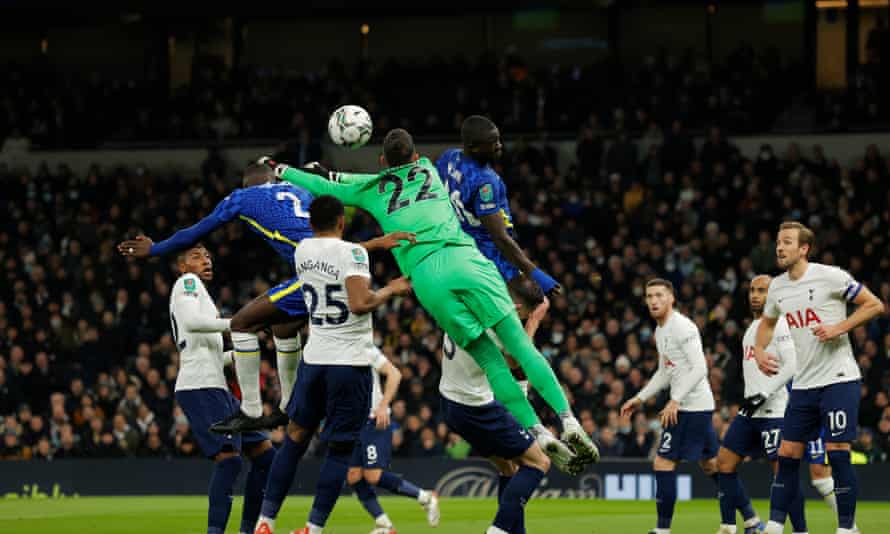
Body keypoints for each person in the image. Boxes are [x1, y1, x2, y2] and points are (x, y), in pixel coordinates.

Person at [260, 128, 598, 470]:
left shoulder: (373, 190)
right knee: (521, 347)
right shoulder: (430, 170)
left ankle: (538, 432)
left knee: (490, 360)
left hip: (425, 277)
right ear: (416, 156)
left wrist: (282, 170)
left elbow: (329, 188)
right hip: (464, 260)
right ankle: (569, 421)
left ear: (382, 162)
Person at [118, 165, 410, 433]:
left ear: (248, 185)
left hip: (312, 275)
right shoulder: (299, 192)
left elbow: (194, 232)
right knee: (282, 329)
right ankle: (287, 407)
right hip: (329, 271)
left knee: (243, 323)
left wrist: (156, 250)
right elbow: (332, 247)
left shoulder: (242, 198)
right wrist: (377, 243)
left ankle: (251, 410)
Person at [254, 195, 414, 534]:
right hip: (349, 364)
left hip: (314, 362)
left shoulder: (303, 251)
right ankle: (313, 529)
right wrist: (392, 290)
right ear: (342, 221)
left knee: (295, 439)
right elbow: (359, 303)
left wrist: (376, 245)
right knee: (340, 451)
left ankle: (265, 522)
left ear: (311, 225)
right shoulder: (353, 254)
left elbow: (337, 254)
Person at [755, 221, 881, 534]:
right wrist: (759, 350)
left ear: (804, 248)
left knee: (837, 452)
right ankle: (773, 525)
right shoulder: (778, 287)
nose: (779, 247)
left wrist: (839, 328)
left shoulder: (831, 276)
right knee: (787, 454)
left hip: (839, 379)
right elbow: (767, 324)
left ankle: (846, 528)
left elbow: (875, 305)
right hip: (804, 383)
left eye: (786, 242)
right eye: (778, 242)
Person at [440, 276, 574, 534]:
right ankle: (498, 530)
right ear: (518, 308)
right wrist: (533, 322)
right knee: (538, 463)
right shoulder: (499, 321)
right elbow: (518, 361)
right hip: (476, 407)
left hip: (450, 402)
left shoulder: (467, 299)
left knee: (509, 466)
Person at [169, 243, 276, 534]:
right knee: (229, 463)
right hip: (200, 386)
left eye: (207, 255)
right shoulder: (187, 283)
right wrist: (238, 324)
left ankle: (247, 530)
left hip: (215, 386)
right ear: (182, 266)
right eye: (196, 256)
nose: (205, 260)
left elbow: (214, 356)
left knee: (266, 456)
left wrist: (244, 350)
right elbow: (192, 323)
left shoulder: (201, 293)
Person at [620, 279, 719, 534]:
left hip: (690, 407)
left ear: (671, 298)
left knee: (663, 463)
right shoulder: (660, 331)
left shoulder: (683, 327)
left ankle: (663, 530)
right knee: (712, 466)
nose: (653, 301)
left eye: (659, 295)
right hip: (692, 406)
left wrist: (675, 400)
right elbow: (664, 372)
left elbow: (700, 368)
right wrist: (640, 398)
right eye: (649, 296)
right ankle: (750, 519)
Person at [435, 115, 561, 297]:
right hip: (492, 258)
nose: (499, 145)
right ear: (474, 147)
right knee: (536, 302)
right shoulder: (485, 182)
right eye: (493, 142)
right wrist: (536, 273)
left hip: (460, 250)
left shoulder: (448, 157)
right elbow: (499, 238)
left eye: (498, 140)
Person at [716, 275, 800, 534]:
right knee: (724, 463)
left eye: (761, 290)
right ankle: (741, 523)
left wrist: (765, 393)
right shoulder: (753, 328)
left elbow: (792, 366)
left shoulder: (781, 324)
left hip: (774, 411)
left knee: (783, 475)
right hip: (749, 412)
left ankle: (799, 530)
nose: (754, 295)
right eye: (752, 289)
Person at [347, 347, 440, 533]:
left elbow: (395, 374)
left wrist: (382, 406)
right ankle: (384, 524)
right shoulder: (333, 354)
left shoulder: (363, 347)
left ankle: (425, 497)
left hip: (375, 420)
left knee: (372, 476)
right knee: (354, 476)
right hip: (353, 424)